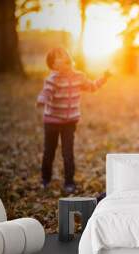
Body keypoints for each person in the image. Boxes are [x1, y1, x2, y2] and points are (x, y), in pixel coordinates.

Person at [36, 47, 110, 193]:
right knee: (49, 151)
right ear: (53, 65)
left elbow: (92, 87)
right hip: (52, 121)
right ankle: (45, 179)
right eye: (59, 57)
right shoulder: (53, 79)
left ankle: (69, 182)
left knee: (68, 152)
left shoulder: (79, 76)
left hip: (69, 123)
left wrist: (104, 78)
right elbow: (47, 92)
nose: (64, 58)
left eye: (65, 56)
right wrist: (42, 100)